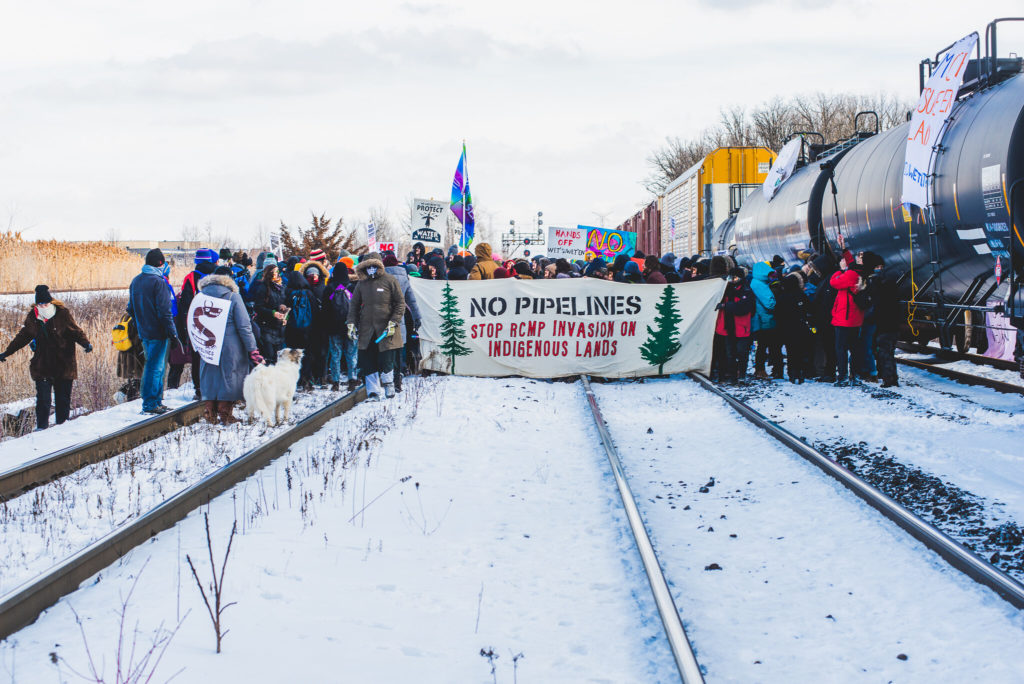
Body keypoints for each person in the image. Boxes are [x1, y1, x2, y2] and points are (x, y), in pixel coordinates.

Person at [0, 285, 93, 430]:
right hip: (42, 365)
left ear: (51, 302)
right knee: (43, 399)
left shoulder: (62, 313)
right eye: (40, 304)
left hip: (63, 364)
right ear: (37, 304)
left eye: (46, 303)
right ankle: (41, 429)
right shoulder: (33, 317)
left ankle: (62, 428)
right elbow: (23, 336)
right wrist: (7, 352)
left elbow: (75, 331)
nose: (43, 306)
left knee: (62, 399)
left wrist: (86, 344)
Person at [197, 268, 262, 424]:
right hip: (231, 346)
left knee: (210, 377)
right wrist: (253, 349)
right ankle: (225, 412)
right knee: (230, 377)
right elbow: (244, 326)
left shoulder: (199, 296)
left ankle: (209, 411)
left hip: (208, 343)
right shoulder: (233, 296)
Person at [128, 249, 180, 414]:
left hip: (144, 332)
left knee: (153, 366)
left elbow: (130, 309)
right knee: (155, 368)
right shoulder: (159, 282)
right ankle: (151, 403)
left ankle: (156, 401)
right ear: (160, 263)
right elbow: (165, 312)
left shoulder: (136, 281)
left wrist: (139, 324)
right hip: (159, 332)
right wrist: (173, 333)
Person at [348, 253, 406, 399]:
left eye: (374, 266)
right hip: (367, 329)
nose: (371, 269)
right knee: (368, 361)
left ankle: (389, 386)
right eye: (368, 266)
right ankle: (373, 391)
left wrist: (394, 321)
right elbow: (353, 306)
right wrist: (351, 323)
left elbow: (400, 303)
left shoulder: (390, 280)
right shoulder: (361, 284)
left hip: (386, 328)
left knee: (387, 360)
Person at [169, 255, 216, 397]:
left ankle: (199, 389)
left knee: (197, 357)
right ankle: (213, 388)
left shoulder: (190, 277)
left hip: (196, 322)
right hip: (214, 322)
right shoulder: (217, 274)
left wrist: (185, 328)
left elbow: (185, 304)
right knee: (213, 356)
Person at [712, 268, 754, 383]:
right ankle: (733, 375)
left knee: (741, 352)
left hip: (741, 327)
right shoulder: (726, 290)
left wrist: (726, 306)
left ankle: (741, 374)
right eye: (731, 277)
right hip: (729, 327)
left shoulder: (746, 291)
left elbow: (743, 308)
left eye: (735, 278)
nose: (732, 280)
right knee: (730, 353)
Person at [830, 253, 866, 385]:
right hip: (856, 319)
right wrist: (844, 247)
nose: (856, 259)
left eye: (860, 258)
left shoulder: (850, 274)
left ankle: (843, 376)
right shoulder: (862, 273)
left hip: (844, 318)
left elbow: (834, 282)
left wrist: (841, 270)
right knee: (855, 348)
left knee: (841, 349)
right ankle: (855, 375)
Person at [867, 255, 902, 387]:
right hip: (893, 326)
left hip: (884, 326)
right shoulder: (892, 287)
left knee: (884, 354)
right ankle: (894, 378)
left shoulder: (878, 287)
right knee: (890, 354)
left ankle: (889, 380)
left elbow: (876, 308)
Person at [324, 263, 359, 392]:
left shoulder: (329, 288)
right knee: (352, 353)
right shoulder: (351, 287)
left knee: (335, 354)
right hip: (350, 325)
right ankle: (352, 379)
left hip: (333, 327)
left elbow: (325, 309)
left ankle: (335, 381)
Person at [285, 269, 321, 389]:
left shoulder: (288, 293)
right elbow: (315, 311)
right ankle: (308, 378)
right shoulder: (309, 293)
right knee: (308, 353)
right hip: (308, 329)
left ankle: (298, 378)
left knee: (295, 354)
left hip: (292, 330)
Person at [775, 272, 814, 383]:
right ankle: (800, 372)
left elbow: (777, 314)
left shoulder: (782, 297)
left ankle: (792, 372)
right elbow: (809, 309)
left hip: (786, 328)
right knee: (800, 351)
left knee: (790, 351)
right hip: (800, 327)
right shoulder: (801, 295)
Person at [250, 264, 289, 364]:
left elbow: (285, 303)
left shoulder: (282, 287)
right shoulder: (263, 288)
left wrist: (284, 309)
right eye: (273, 272)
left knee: (279, 357)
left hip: (280, 327)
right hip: (266, 326)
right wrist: (273, 313)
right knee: (270, 356)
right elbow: (258, 307)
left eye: (277, 272)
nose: (276, 274)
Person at [750, 261, 783, 379]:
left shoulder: (756, 283)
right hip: (765, 319)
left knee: (762, 346)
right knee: (766, 345)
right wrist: (776, 303)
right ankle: (761, 370)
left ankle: (760, 369)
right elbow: (769, 303)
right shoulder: (760, 285)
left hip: (762, 319)